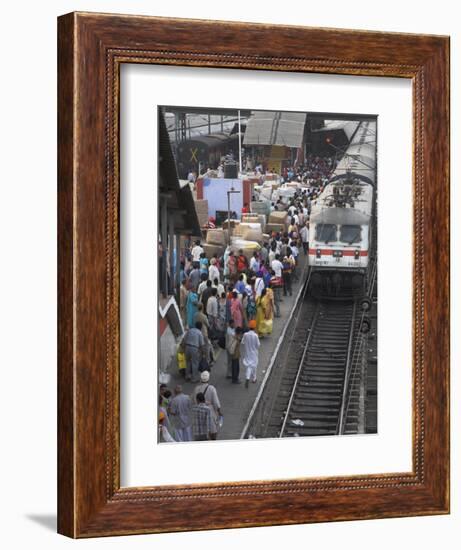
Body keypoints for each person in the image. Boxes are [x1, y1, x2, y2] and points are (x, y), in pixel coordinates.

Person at [193, 371, 222, 440]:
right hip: (210, 410)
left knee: (201, 428)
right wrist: (219, 411)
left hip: (199, 410)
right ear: (208, 379)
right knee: (212, 429)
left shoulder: (196, 388)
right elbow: (216, 402)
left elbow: (194, 400)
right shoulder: (211, 388)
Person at [241, 320, 261, 388]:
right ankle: (253, 378)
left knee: (248, 366)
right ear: (255, 327)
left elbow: (242, 342)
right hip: (254, 353)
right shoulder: (255, 336)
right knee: (254, 366)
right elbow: (258, 345)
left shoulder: (245, 334)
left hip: (247, 353)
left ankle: (249, 377)